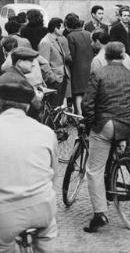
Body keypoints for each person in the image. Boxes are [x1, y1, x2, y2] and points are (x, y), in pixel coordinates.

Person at [82, 42, 130, 233]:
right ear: (123, 56)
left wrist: (91, 124)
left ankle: (100, 214)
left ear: (105, 56)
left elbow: (88, 103)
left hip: (106, 124)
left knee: (94, 170)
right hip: (127, 125)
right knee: (118, 147)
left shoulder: (98, 74)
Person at [0, 78, 58, 252]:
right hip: (43, 209)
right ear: (27, 106)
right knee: (47, 242)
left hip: (6, 215)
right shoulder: (46, 132)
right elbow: (54, 175)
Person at [38, 18, 71, 107]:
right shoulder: (46, 42)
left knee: (58, 107)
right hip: (55, 80)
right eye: (62, 27)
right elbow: (44, 63)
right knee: (53, 107)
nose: (64, 29)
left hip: (62, 78)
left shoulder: (57, 40)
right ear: (56, 29)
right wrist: (52, 79)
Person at [65, 13, 93, 115]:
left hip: (77, 68)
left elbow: (71, 55)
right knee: (87, 92)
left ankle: (79, 116)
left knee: (77, 94)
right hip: (89, 66)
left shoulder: (70, 36)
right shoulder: (88, 34)